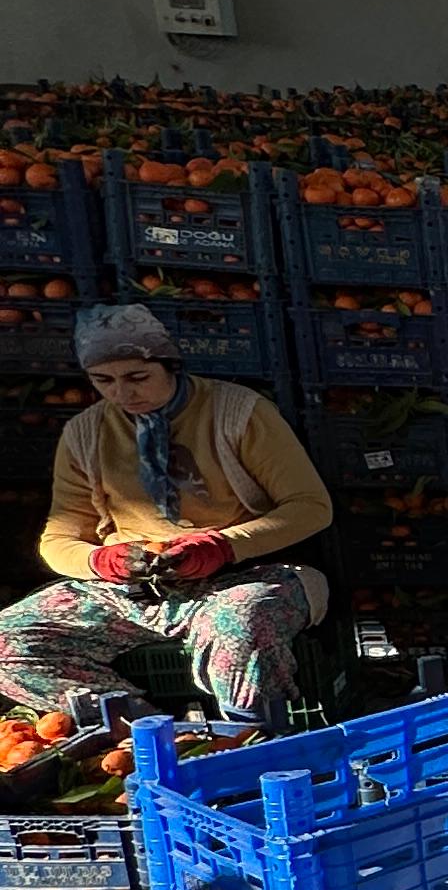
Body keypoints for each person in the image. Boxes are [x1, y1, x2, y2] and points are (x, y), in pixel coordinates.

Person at [0, 301, 334, 730]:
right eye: (104, 381)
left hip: (239, 577)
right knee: (8, 641)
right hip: (132, 590)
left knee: (238, 624)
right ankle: (148, 732)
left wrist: (222, 546)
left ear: (170, 365)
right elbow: (60, 536)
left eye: (137, 377)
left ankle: (253, 738)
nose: (122, 392)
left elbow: (311, 506)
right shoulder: (84, 433)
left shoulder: (239, 413)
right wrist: (102, 562)